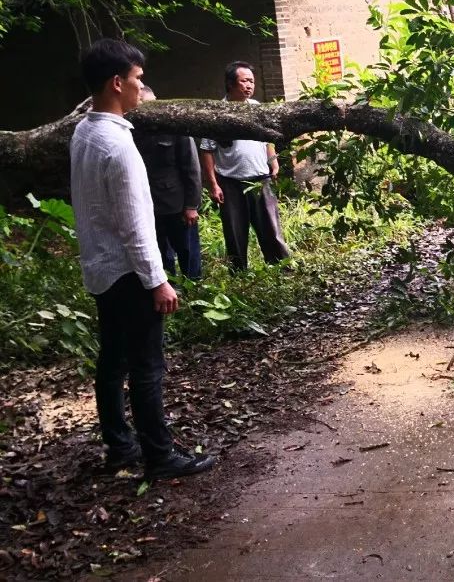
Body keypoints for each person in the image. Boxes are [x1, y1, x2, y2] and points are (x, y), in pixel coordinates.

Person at [69, 38, 216, 480]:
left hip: (100, 268)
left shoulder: (83, 132)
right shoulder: (119, 146)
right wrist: (157, 280)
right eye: (137, 78)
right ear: (117, 83)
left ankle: (119, 444)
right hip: (130, 273)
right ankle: (159, 455)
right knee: (147, 366)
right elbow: (135, 222)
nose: (141, 86)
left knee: (112, 361)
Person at [199, 61, 289, 271]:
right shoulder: (217, 113)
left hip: (261, 180)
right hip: (231, 183)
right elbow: (207, 150)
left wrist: (273, 160)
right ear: (230, 83)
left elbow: (268, 139)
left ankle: (280, 268)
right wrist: (213, 184)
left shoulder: (257, 109)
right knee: (235, 232)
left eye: (252, 81)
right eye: (244, 81)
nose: (249, 85)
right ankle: (239, 273)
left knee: (271, 228)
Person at [134, 86, 203, 280]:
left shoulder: (174, 129)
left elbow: (192, 168)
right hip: (148, 205)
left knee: (188, 251)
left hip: (177, 204)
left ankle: (195, 290)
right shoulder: (133, 132)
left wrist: (191, 205)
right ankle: (170, 288)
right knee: (160, 253)